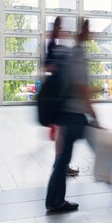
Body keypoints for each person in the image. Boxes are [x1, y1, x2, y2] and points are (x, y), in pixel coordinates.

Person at [45, 18, 99, 213]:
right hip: (74, 116)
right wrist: (95, 116)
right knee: (67, 159)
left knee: (62, 159)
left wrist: (53, 33)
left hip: (70, 115)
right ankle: (54, 200)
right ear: (83, 33)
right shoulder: (77, 55)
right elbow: (81, 89)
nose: (90, 32)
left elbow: (50, 54)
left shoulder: (70, 54)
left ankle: (54, 200)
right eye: (88, 29)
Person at [45, 17, 79, 177]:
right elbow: (48, 67)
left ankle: (61, 164)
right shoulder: (54, 47)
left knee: (61, 131)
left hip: (61, 94)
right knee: (63, 132)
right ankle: (62, 165)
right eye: (59, 28)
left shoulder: (55, 47)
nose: (63, 31)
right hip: (60, 95)